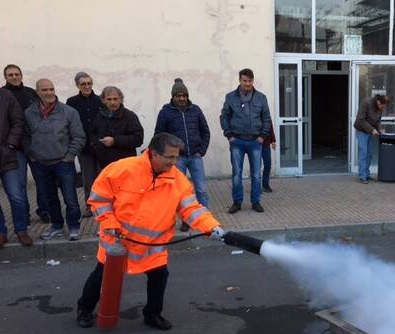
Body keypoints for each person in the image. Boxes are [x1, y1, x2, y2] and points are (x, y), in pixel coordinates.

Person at [76, 133, 223, 330]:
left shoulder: (177, 180)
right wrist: (110, 223)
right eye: (169, 157)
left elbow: (191, 208)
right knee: (101, 275)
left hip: (153, 245)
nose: (174, 162)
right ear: (153, 154)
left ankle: (152, 314)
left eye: (176, 157)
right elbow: (99, 199)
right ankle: (84, 310)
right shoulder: (122, 169)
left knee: (159, 276)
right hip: (118, 240)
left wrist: (212, 227)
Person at [24, 78, 86, 241]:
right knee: (49, 198)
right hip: (40, 164)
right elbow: (25, 137)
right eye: (44, 90)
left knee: (71, 198)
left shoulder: (69, 112)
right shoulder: (29, 113)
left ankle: (74, 227)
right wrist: (32, 155)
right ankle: (57, 226)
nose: (49, 93)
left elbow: (79, 137)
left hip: (63, 163)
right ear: (37, 92)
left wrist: (70, 156)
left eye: (51, 89)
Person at [155, 78, 210, 232]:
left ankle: (205, 219)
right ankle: (186, 219)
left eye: (184, 95)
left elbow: (205, 131)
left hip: (195, 156)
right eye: (178, 95)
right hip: (176, 159)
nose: (181, 98)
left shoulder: (196, 110)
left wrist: (202, 150)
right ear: (173, 96)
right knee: (180, 192)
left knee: (201, 189)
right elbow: (159, 135)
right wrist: (166, 156)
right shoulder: (165, 112)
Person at [220, 68, 271, 214]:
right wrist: (229, 135)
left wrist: (263, 136)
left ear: (253, 81)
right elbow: (224, 117)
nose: (247, 84)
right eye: (244, 81)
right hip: (237, 142)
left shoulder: (261, 98)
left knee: (256, 174)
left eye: (249, 81)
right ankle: (237, 202)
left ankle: (256, 202)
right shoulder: (230, 97)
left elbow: (266, 118)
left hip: (256, 141)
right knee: (237, 174)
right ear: (240, 80)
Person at [3, 64, 49, 222]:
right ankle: (24, 214)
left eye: (17, 74)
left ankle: (44, 211)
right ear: (6, 77)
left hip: (35, 144)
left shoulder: (31, 93)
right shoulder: (3, 94)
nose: (14, 77)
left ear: (21, 75)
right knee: (20, 183)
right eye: (10, 75)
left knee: (41, 179)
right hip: (15, 146)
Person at [0, 85, 32, 247]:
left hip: (6, 154)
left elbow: (18, 121)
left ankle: (21, 230)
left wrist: (10, 145)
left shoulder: (5, 95)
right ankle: (0, 232)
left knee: (16, 195)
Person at [66, 72, 104, 217]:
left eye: (89, 83)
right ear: (77, 85)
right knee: (88, 179)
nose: (87, 86)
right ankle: (90, 205)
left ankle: (104, 204)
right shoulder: (72, 102)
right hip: (84, 147)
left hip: (101, 147)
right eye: (83, 84)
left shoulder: (101, 100)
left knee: (102, 177)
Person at [90, 86, 143, 171]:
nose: (112, 102)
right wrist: (96, 145)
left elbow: (138, 139)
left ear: (121, 99)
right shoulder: (100, 115)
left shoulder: (129, 116)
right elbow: (93, 133)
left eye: (115, 99)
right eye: (109, 99)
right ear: (103, 100)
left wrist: (115, 141)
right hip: (104, 165)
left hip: (125, 165)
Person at [353, 94, 390, 184]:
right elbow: (360, 120)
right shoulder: (366, 102)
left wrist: (379, 129)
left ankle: (367, 175)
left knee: (369, 154)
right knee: (364, 152)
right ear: (378, 102)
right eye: (382, 106)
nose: (383, 109)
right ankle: (362, 176)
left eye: (384, 107)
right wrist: (372, 129)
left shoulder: (380, 108)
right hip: (361, 130)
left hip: (370, 131)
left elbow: (378, 121)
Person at [261, 121, 276, 193]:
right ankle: (256, 187)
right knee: (255, 166)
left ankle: (265, 185)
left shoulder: (266, 115)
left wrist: (273, 141)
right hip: (255, 144)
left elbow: (270, 127)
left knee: (268, 164)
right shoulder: (253, 112)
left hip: (266, 144)